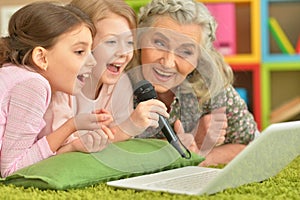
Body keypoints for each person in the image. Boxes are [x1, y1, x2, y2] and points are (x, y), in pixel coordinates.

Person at [126, 0, 259, 166]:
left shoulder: (212, 88)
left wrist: (202, 155)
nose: (168, 62)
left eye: (186, 52)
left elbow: (255, 145)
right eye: (159, 43)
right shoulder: (116, 82)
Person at [0, 2, 114, 178]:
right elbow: (11, 170)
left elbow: (23, 156)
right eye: (79, 51)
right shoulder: (32, 85)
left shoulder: (13, 74)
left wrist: (72, 146)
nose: (92, 61)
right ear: (40, 57)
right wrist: (71, 126)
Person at [48, 0, 169, 142]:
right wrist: (129, 126)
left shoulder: (120, 84)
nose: (124, 53)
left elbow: (111, 146)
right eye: (111, 42)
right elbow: (60, 148)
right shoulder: (59, 85)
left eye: (129, 42)